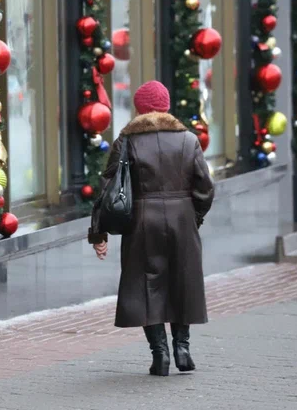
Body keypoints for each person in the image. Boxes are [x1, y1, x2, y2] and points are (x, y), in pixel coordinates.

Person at [89, 80, 214, 376]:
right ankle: (183, 348)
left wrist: (99, 232)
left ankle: (160, 355)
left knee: (148, 285)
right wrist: (194, 217)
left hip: (142, 220)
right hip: (182, 216)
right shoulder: (188, 140)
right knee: (182, 280)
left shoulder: (127, 140)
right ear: (167, 106)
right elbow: (205, 187)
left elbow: (109, 187)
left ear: (139, 108)